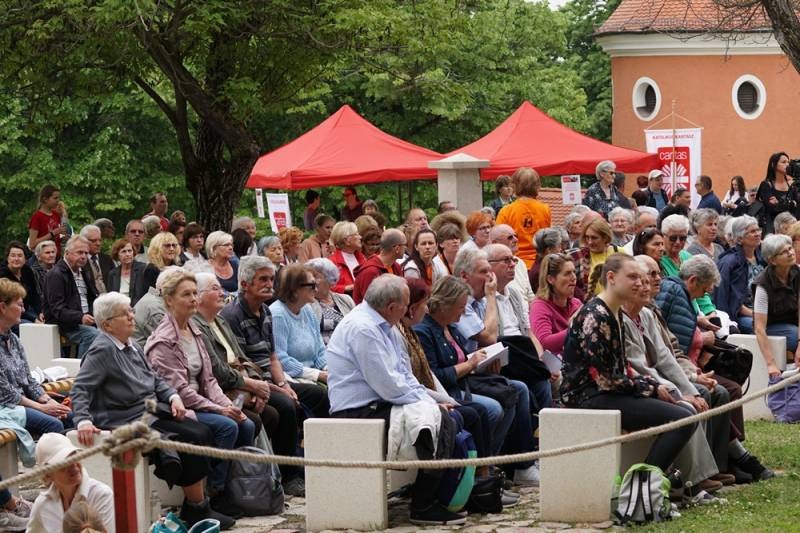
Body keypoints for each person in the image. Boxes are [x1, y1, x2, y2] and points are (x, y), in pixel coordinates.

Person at [70, 292, 234, 529]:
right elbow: (80, 388)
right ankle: (198, 507)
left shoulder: (133, 345)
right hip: (126, 417)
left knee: (203, 431)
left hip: (151, 409)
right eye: (124, 314)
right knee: (190, 437)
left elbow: (155, 379)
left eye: (131, 310)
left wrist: (174, 396)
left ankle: (196, 505)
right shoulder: (102, 350)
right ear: (107, 325)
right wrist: (83, 420)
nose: (131, 316)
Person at [327, 276, 468, 526]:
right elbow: (389, 385)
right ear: (392, 307)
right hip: (358, 410)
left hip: (382, 402)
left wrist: (433, 399)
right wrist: (431, 405)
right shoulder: (363, 329)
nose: (409, 310)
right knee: (442, 421)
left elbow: (405, 375)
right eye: (406, 305)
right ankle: (424, 505)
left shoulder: (386, 325)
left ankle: (445, 492)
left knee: (454, 413)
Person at [561, 253, 696, 473]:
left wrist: (652, 385)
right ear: (611, 277)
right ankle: (642, 482)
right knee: (682, 420)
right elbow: (606, 380)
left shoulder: (613, 313)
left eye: (641, 278)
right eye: (632, 277)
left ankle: (655, 481)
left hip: (608, 392)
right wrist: (650, 388)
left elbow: (621, 368)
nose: (640, 283)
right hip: (589, 396)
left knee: (684, 411)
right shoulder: (596, 316)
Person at [654, 255, 775, 482]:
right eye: (705, 289)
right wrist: (699, 352)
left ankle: (726, 461)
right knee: (718, 391)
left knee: (728, 390)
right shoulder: (673, 292)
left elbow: (675, 339)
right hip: (676, 371)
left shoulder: (683, 295)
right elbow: (665, 344)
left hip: (688, 366)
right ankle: (728, 461)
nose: (706, 294)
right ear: (693, 280)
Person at [621, 261, 728, 501]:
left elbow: (666, 356)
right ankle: (689, 483)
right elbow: (638, 366)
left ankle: (698, 477)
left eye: (653, 277)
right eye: (644, 280)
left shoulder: (647, 314)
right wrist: (679, 391)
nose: (651, 284)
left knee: (700, 398)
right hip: (634, 387)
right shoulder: (620, 318)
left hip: (657, 381)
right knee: (685, 408)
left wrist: (691, 389)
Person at [145, 270, 256, 500]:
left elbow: (209, 379)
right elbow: (180, 391)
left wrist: (227, 405)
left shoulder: (194, 331)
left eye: (195, 293)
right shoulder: (163, 342)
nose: (194, 299)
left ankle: (236, 486)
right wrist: (220, 410)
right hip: (178, 407)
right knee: (227, 426)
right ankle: (216, 492)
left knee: (246, 424)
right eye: (186, 294)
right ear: (169, 300)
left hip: (202, 400)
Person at [449, 250, 543, 485]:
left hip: (478, 368)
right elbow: (489, 336)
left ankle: (515, 462)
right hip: (461, 374)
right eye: (484, 272)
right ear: (465, 276)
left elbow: (491, 341)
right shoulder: (464, 303)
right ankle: (489, 467)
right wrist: (491, 296)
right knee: (498, 403)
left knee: (523, 387)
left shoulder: (481, 301)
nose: (490, 278)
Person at [221, 256, 328, 451]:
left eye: (271, 279)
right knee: (287, 405)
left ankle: (321, 451)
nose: (269, 284)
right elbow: (241, 363)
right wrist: (267, 389)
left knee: (317, 394)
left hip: (272, 379)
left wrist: (283, 384)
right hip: (252, 383)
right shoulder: (233, 315)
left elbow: (273, 357)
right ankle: (289, 467)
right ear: (245, 284)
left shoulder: (265, 311)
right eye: (263, 279)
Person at [398, 278, 497, 482]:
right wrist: (469, 365)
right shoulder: (421, 331)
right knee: (485, 410)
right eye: (460, 307)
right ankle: (475, 476)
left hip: (456, 385)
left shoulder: (450, 327)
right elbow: (431, 376)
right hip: (442, 390)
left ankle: (487, 468)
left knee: (515, 391)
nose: (463, 312)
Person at [0, 278, 72, 436]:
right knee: (54, 424)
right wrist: (41, 407)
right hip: (5, 407)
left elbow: (28, 379)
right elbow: (5, 393)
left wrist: (47, 400)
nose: (24, 310)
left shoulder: (13, 339)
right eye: (19, 305)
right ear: (3, 307)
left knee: (69, 415)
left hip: (20, 402)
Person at [27, 433, 115, 532]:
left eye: (74, 456)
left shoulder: (101, 495)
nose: (73, 465)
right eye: (64, 462)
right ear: (47, 474)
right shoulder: (42, 504)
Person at [269, 265, 331, 396]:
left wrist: (327, 369)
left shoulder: (307, 309)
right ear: (295, 289)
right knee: (322, 394)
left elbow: (320, 348)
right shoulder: (278, 314)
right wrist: (317, 375)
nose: (316, 289)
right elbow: (280, 359)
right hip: (293, 379)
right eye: (312, 285)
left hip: (314, 375)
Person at [752, 234, 800, 377]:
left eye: (790, 248)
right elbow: (759, 328)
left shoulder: (797, 272)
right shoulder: (762, 284)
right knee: (793, 334)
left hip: (792, 323)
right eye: (784, 252)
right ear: (772, 260)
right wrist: (771, 364)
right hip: (772, 326)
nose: (790, 253)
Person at [43, 235, 99, 357]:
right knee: (92, 335)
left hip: (85, 320)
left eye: (86, 253)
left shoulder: (84, 272)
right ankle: (83, 368)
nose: (84, 256)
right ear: (67, 253)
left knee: (112, 331)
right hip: (64, 324)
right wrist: (80, 317)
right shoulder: (56, 274)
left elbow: (93, 299)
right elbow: (57, 309)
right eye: (79, 252)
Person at [714, 215, 765, 333]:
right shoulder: (729, 263)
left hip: (763, 310)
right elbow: (733, 301)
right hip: (740, 315)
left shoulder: (762, 258)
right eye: (752, 231)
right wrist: (756, 314)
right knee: (762, 328)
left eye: (758, 230)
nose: (757, 234)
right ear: (740, 239)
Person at [496, 167, 551, 268]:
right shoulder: (545, 209)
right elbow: (548, 238)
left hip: (514, 264)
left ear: (515, 185)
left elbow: (498, 240)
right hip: (539, 264)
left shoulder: (506, 211)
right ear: (537, 186)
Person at [530, 253, 581, 356]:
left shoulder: (576, 303)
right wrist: (575, 327)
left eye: (574, 272)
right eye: (567, 273)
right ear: (550, 279)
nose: (573, 277)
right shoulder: (540, 306)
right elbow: (544, 343)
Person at [306, 258, 355, 346]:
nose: (311, 281)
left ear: (329, 278)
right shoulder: (306, 304)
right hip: (323, 350)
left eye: (315, 276)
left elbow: (356, 326)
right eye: (309, 277)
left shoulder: (346, 299)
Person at [569, 217, 618, 302]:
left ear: (605, 238)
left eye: (594, 238)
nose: (590, 242)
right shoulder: (577, 255)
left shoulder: (617, 252)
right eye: (587, 237)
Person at [352, 229, 406, 303]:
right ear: (397, 248)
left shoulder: (396, 266)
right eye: (404, 245)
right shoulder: (370, 272)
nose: (405, 248)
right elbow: (371, 303)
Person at [490, 224, 535, 302]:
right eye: (510, 237)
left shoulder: (520, 263)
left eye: (516, 236)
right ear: (495, 243)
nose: (516, 240)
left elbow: (530, 297)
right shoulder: (492, 265)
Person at [757, 152, 798, 234]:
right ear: (773, 165)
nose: (787, 165)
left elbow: (797, 208)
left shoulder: (793, 185)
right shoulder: (766, 185)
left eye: (788, 162)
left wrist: (778, 203)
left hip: (793, 227)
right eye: (783, 162)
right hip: (774, 229)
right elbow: (772, 209)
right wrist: (790, 205)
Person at [1, 241, 41, 324]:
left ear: (25, 259)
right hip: (10, 314)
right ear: (7, 258)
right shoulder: (2, 275)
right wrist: (34, 319)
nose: (16, 259)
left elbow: (35, 296)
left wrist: (40, 312)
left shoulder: (27, 271)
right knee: (31, 327)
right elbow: (10, 305)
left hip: (28, 310)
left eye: (20, 256)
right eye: (13, 256)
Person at [106, 238, 148, 306]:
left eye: (129, 251)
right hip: (119, 308)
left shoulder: (143, 269)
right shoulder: (112, 273)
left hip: (139, 308)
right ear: (117, 255)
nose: (127, 254)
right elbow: (111, 297)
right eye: (123, 251)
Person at [28, 184, 67, 256]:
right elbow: (32, 244)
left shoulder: (56, 215)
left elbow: (61, 237)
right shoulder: (37, 217)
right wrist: (52, 233)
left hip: (57, 257)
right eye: (55, 198)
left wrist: (63, 235)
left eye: (59, 198)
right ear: (45, 199)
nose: (58, 200)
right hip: (43, 258)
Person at [329, 221, 366, 296]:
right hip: (346, 300)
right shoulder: (332, 262)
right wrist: (345, 288)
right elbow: (326, 288)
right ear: (346, 240)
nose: (360, 237)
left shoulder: (362, 257)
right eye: (356, 234)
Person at [80, 225, 113, 296]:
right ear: (83, 241)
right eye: (93, 241)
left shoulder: (107, 259)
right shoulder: (80, 261)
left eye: (100, 240)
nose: (98, 244)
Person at [205, 231, 238, 295]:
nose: (231, 248)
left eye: (231, 245)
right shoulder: (204, 268)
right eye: (226, 245)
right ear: (213, 248)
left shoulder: (236, 265)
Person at [29, 239, 57, 308]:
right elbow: (39, 296)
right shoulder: (33, 271)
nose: (51, 255)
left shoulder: (60, 270)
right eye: (47, 253)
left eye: (53, 252)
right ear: (39, 257)